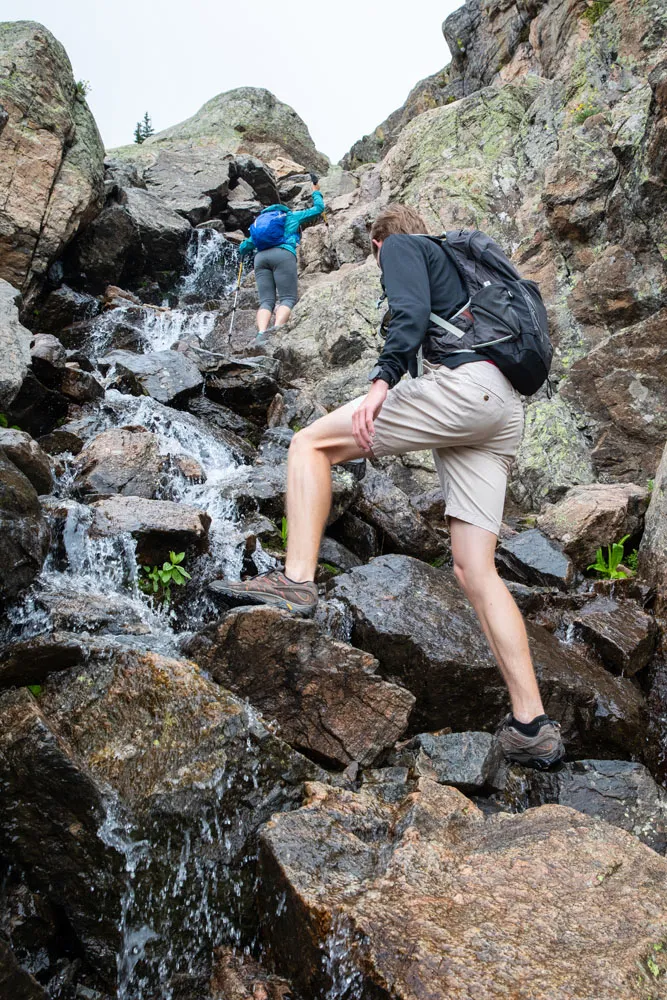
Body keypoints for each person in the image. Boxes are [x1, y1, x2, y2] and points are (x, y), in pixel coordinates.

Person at [214, 204, 565, 770]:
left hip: (464, 390)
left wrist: (382, 381)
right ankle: (532, 724)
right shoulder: (455, 260)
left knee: (308, 444)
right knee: (476, 568)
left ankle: (298, 579)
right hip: (502, 407)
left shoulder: (403, 248)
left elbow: (408, 310)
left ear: (378, 245)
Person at [239, 175, 324, 338]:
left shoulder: (259, 224)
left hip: (260, 258)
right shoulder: (289, 216)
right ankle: (277, 332)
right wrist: (316, 191)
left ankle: (261, 333)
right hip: (283, 255)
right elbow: (318, 209)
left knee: (266, 302)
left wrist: (243, 250)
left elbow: (244, 247)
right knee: (288, 298)